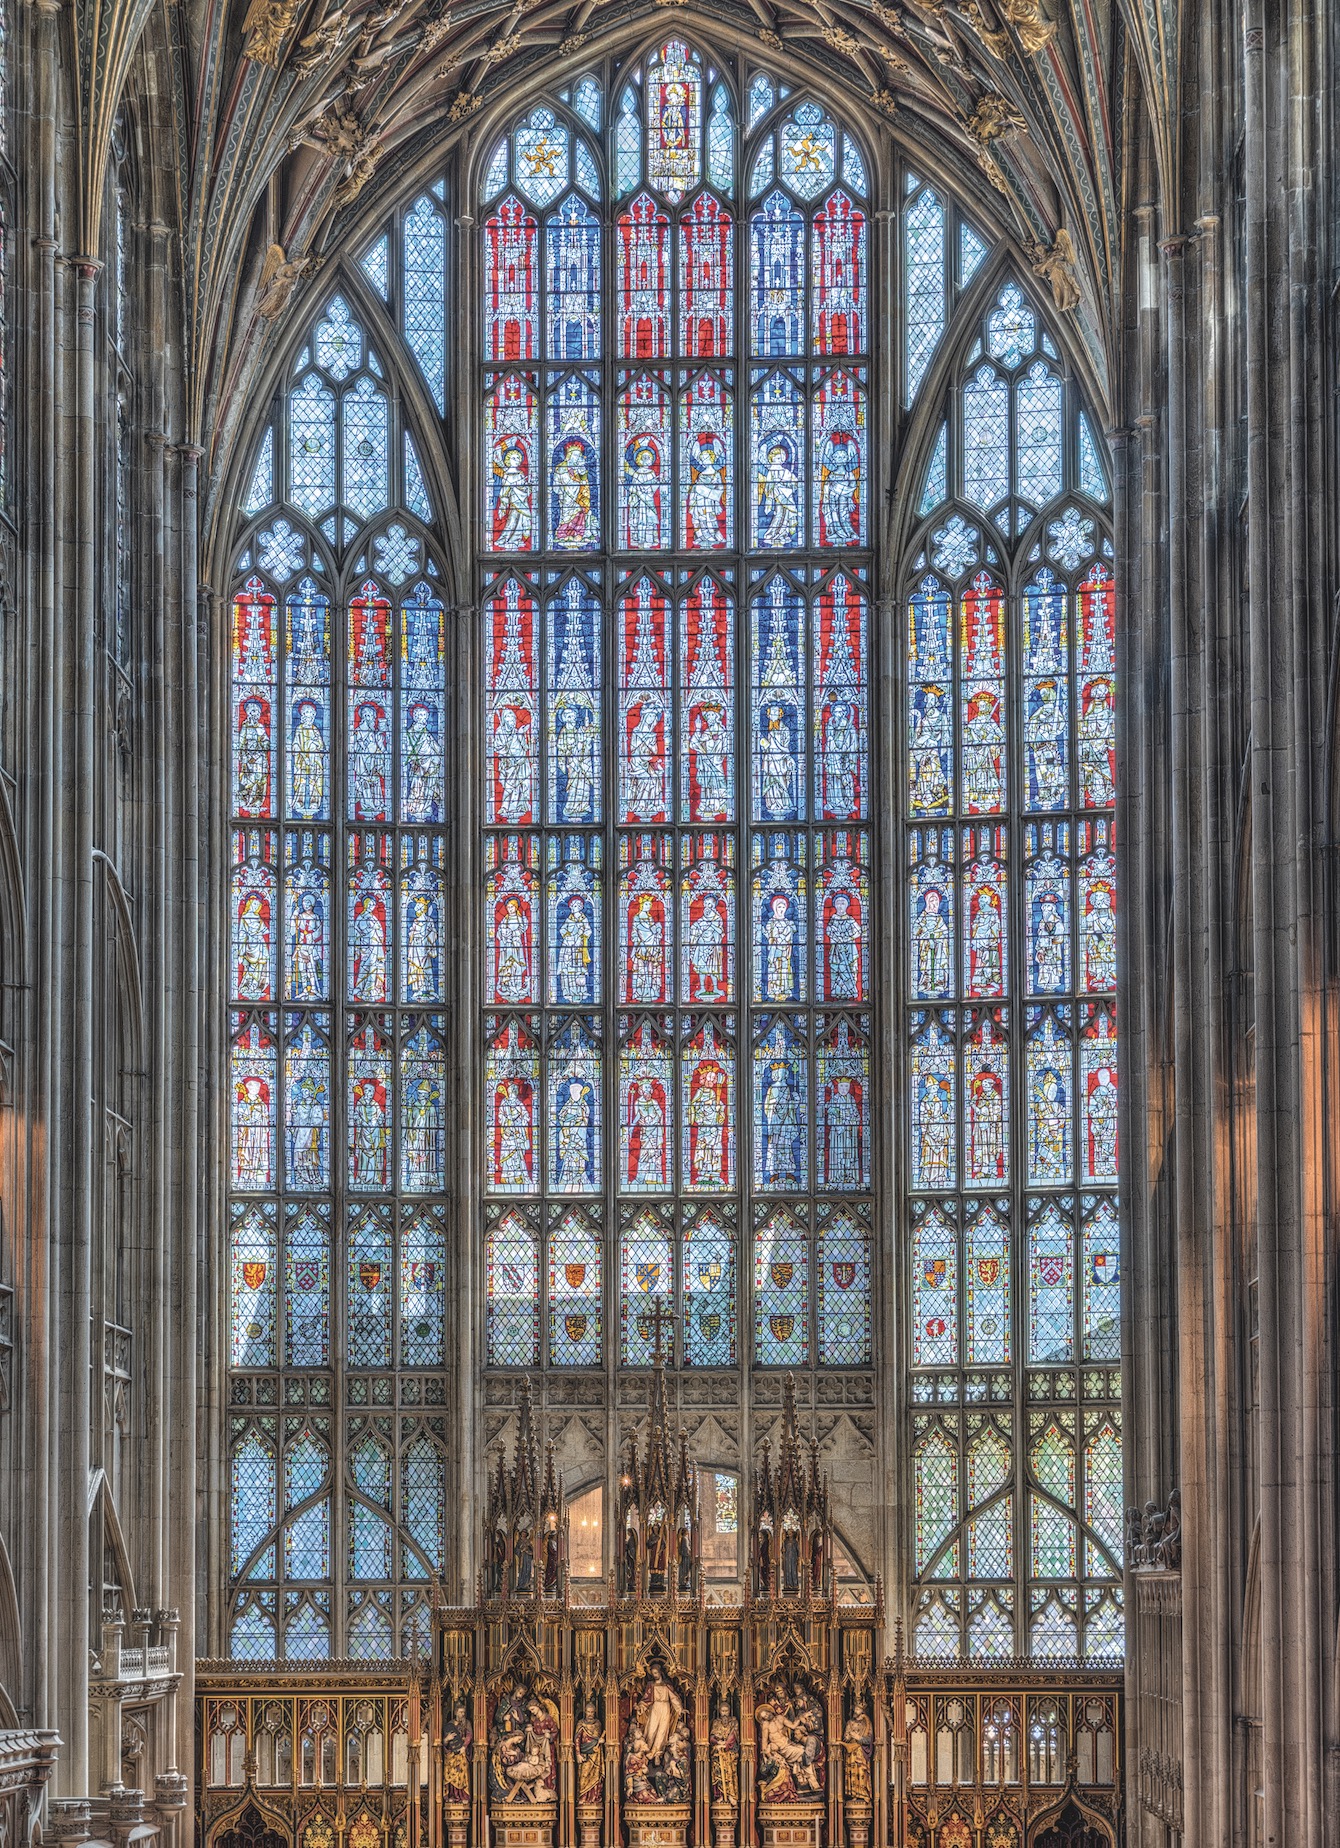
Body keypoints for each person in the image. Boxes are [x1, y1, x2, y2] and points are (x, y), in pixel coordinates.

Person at [493, 443, 531, 550]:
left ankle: (516, 539)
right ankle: (506, 539)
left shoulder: (520, 474)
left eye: (518, 458)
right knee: (512, 521)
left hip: (522, 501)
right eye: (514, 458)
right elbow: (504, 491)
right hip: (514, 502)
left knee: (519, 522)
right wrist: (512, 488)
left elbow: (525, 489)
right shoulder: (507, 474)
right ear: (508, 460)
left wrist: (527, 487)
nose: (517, 460)